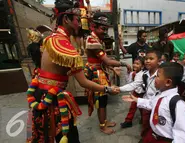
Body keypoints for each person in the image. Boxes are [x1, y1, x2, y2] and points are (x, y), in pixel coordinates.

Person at [26, 1, 118, 143]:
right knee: (68, 138)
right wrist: (107, 88)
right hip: (53, 99)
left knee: (46, 136)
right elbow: (83, 82)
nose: (79, 24)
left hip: (41, 92)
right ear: (66, 19)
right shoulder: (64, 45)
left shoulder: (51, 38)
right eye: (77, 20)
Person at [84, 12, 131, 135]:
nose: (105, 31)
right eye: (102, 28)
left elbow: (104, 62)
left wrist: (112, 68)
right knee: (101, 101)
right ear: (94, 26)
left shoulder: (96, 39)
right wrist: (124, 64)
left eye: (106, 28)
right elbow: (106, 60)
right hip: (96, 74)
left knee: (103, 99)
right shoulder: (92, 40)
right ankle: (102, 126)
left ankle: (104, 122)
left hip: (100, 72)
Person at [122, 62, 185, 143]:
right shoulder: (159, 94)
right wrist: (136, 100)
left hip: (164, 140)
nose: (154, 78)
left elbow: (182, 135)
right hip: (152, 135)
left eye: (157, 76)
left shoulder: (177, 104)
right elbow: (151, 104)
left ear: (168, 82)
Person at [116, 49, 161, 142]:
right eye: (146, 59)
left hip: (157, 106)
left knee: (156, 126)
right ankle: (144, 138)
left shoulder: (162, 75)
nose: (148, 61)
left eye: (151, 58)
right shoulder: (144, 75)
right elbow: (134, 84)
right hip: (146, 103)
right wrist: (119, 89)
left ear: (159, 61)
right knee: (145, 124)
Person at [119, 57, 145, 128]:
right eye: (134, 63)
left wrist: (119, 89)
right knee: (132, 107)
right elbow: (129, 82)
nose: (135, 65)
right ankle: (128, 121)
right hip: (135, 93)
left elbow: (134, 84)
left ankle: (143, 119)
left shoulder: (143, 74)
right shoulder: (133, 73)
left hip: (142, 94)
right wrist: (128, 74)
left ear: (142, 66)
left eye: (137, 64)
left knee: (142, 107)